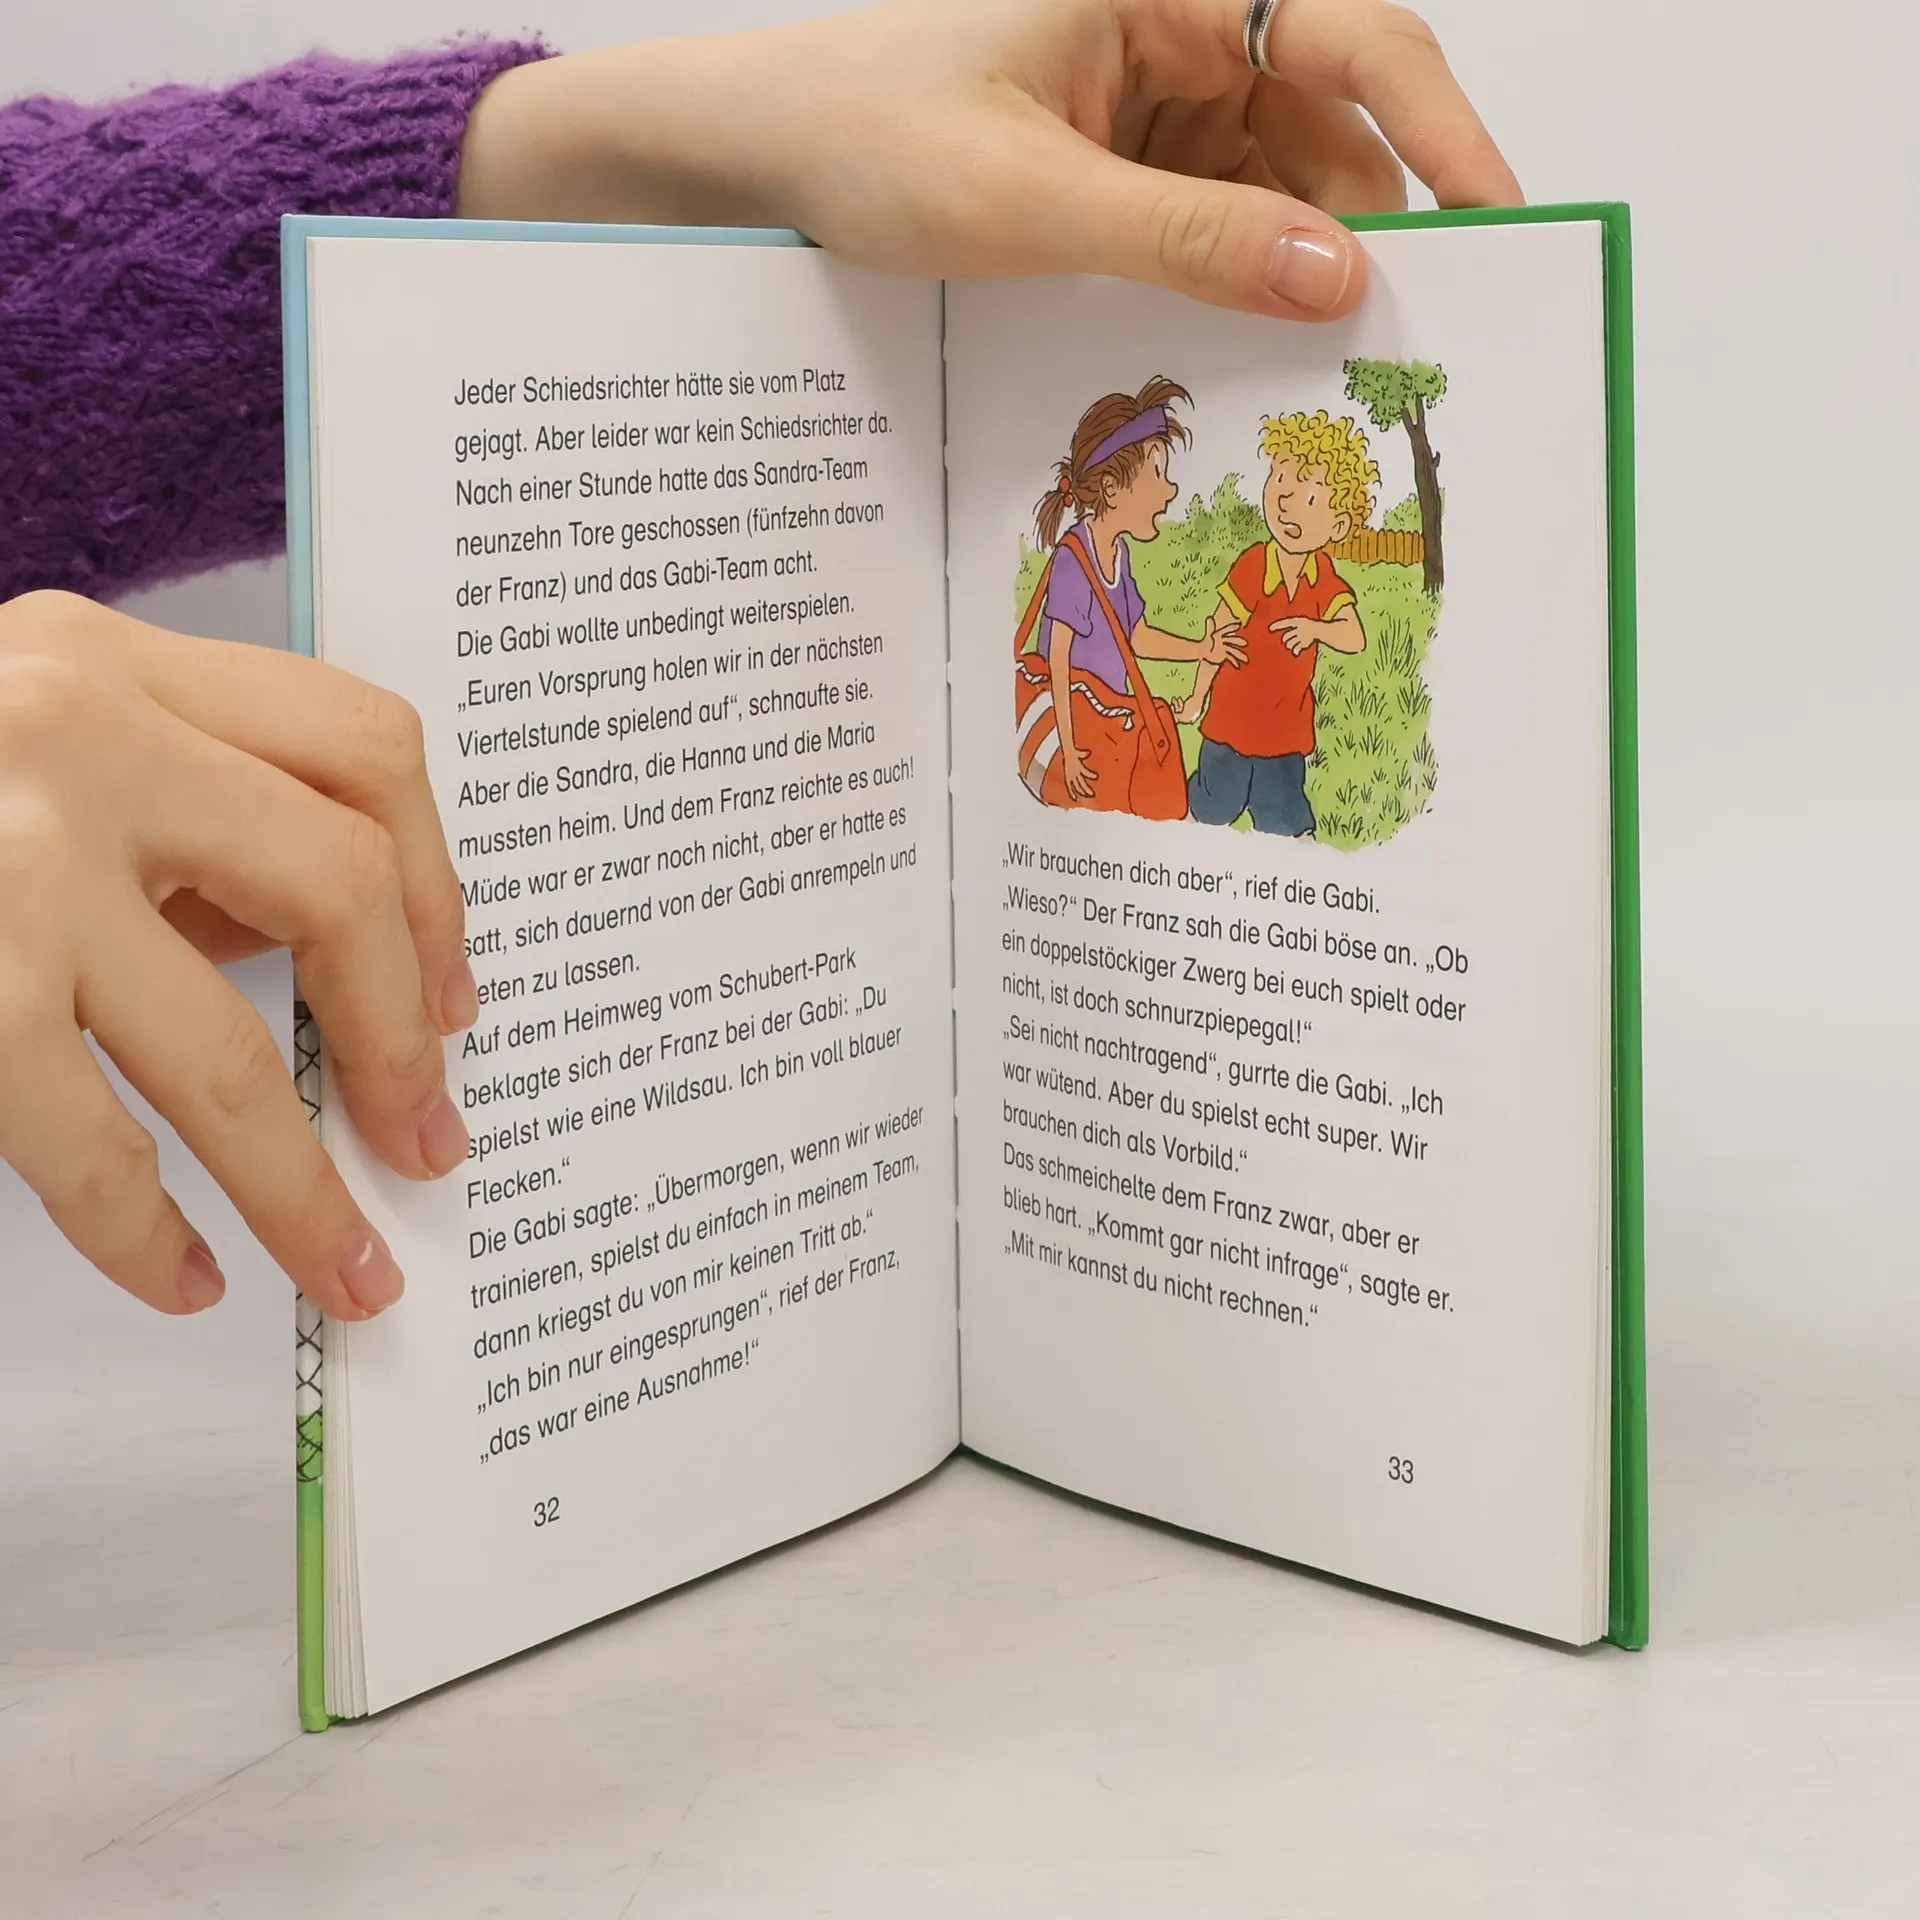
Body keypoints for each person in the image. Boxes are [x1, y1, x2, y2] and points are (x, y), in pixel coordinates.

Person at [0, 0, 1521, 1320]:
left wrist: (656, 135)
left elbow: (58, 315)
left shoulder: (1147, 561)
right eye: (1157, 483)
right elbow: (1076, 659)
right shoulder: (1096, 563)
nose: (1175, 500)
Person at [1017, 379, 1243, 815]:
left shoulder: (1119, 554)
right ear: (1111, 489)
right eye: (1157, 474)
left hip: (1106, 718)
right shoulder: (1074, 560)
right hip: (1074, 728)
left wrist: (1202, 648)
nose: (1170, 490)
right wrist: (1068, 749)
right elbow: (1058, 660)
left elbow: (1135, 637)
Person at [1179, 409, 1377, 835]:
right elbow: (1216, 636)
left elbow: (1354, 635)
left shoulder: (1322, 577)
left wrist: (1315, 628)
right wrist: (1196, 697)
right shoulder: (1253, 566)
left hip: (1285, 738)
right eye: (1279, 480)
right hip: (1230, 729)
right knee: (1210, 811)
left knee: (1287, 825)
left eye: (1309, 498)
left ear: (1338, 524)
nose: (1285, 502)